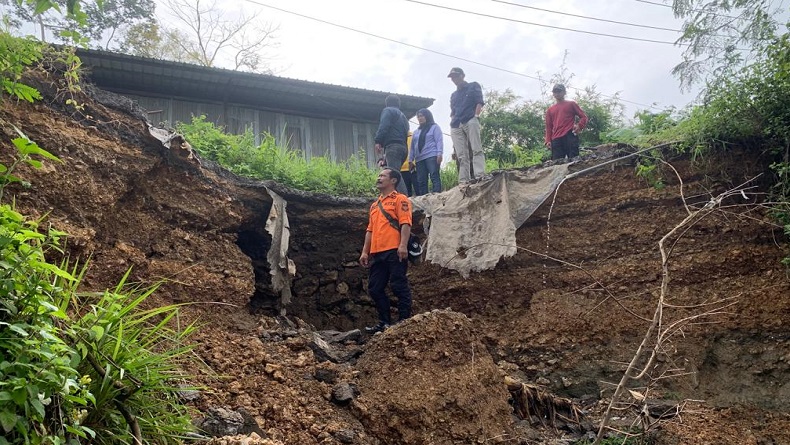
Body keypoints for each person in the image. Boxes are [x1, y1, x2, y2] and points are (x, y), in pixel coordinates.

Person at [359, 168, 414, 333]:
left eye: (383, 175)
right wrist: (365, 252)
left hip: (394, 250)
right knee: (375, 288)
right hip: (377, 252)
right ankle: (384, 322)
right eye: (379, 175)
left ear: (393, 180)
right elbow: (370, 230)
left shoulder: (400, 199)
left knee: (398, 285)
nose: (379, 178)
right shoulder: (375, 205)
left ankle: (404, 322)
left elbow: (405, 223)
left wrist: (403, 245)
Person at [448, 67, 485, 183]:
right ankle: (464, 180)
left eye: (456, 76)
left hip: (470, 119)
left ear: (462, 76)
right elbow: (453, 111)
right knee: (461, 155)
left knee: (476, 148)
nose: (454, 79)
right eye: (452, 77)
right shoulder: (453, 95)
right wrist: (453, 122)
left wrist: (476, 116)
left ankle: (480, 175)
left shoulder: (473, 86)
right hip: (456, 124)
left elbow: (479, 102)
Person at [374, 95, 409, 195]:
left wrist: (378, 141)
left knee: (394, 174)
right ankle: (395, 197)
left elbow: (384, 126)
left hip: (393, 146)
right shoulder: (403, 117)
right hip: (403, 148)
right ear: (398, 104)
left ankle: (404, 198)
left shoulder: (388, 111)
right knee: (394, 173)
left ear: (386, 103)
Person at [544, 83, 588, 160]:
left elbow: (584, 117)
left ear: (564, 92)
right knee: (557, 162)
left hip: (569, 135)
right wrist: (548, 140)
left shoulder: (571, 104)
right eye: (555, 92)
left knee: (574, 160)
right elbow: (548, 127)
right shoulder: (550, 110)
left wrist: (579, 126)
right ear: (553, 94)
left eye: (559, 91)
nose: (557, 93)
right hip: (556, 138)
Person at [409, 108, 443, 195]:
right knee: (421, 180)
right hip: (419, 159)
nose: (420, 118)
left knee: (434, 175)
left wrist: (439, 153)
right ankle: (423, 198)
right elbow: (412, 147)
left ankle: (437, 196)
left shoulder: (434, 127)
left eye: (422, 116)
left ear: (427, 116)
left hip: (431, 155)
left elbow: (439, 141)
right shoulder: (416, 132)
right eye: (418, 117)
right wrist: (410, 160)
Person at [400, 132, 415, 196]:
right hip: (402, 169)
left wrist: (414, 163)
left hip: (413, 167)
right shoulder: (397, 138)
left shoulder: (413, 136)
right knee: (406, 192)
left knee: (418, 190)